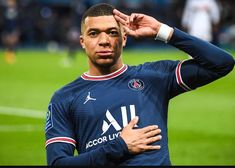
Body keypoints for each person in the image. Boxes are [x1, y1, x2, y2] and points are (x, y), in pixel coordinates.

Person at [45, 3, 234, 166]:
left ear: (124, 38)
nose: (104, 41)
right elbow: (58, 162)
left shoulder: (154, 76)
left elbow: (222, 63)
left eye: (112, 33)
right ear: (82, 42)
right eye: (93, 34)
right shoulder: (64, 98)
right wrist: (120, 146)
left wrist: (163, 31)